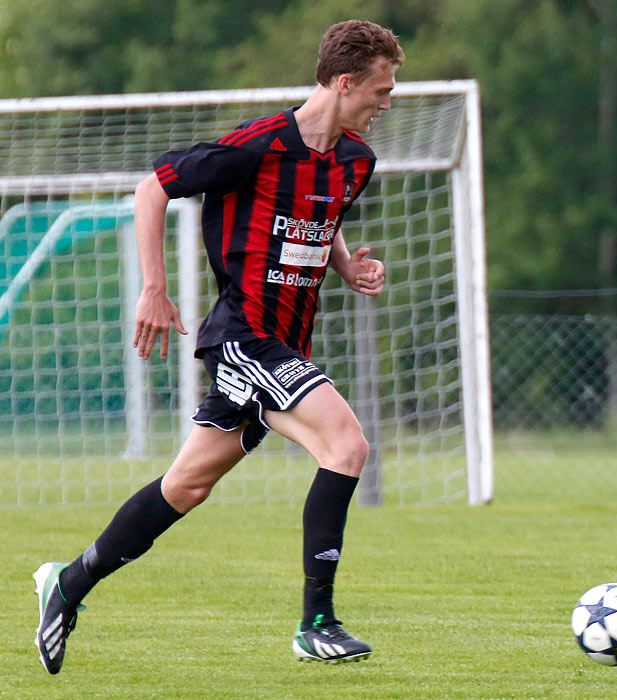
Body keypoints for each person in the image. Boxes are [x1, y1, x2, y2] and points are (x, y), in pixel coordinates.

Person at [33, 20, 403, 674]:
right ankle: (317, 622)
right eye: (380, 89)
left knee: (187, 485)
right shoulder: (255, 147)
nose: (387, 101)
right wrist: (154, 288)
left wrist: (344, 266)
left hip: (283, 345)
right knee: (346, 446)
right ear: (345, 83)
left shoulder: (355, 161)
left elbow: (324, 217)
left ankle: (68, 584)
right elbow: (154, 187)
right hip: (244, 339)